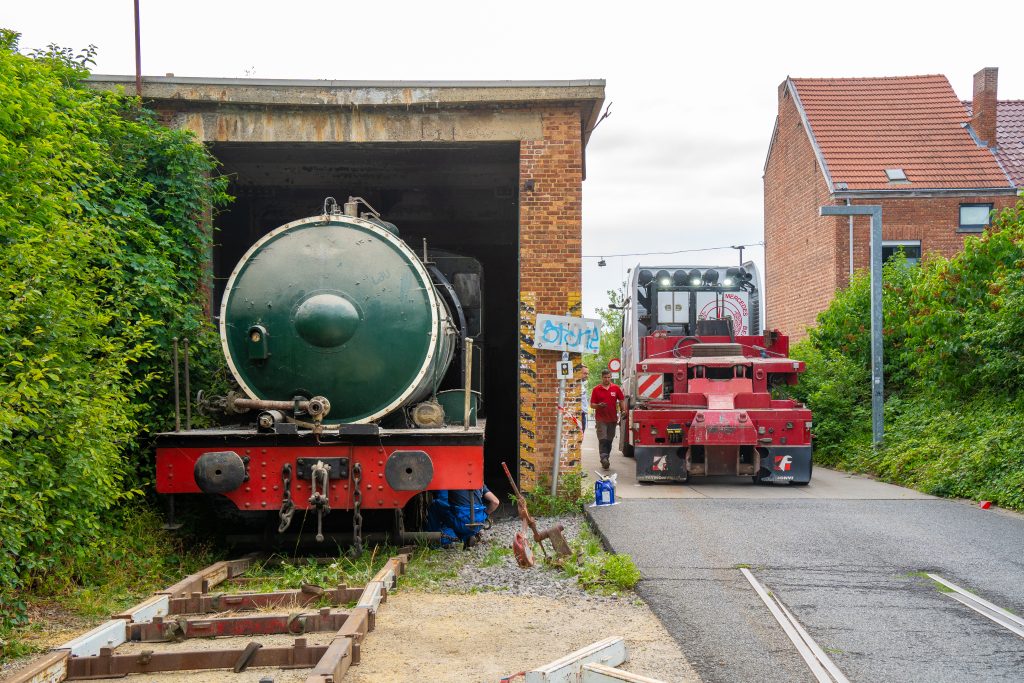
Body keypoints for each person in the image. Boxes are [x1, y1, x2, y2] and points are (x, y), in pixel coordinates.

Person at [426, 485, 500, 548]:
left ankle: (434, 541)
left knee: (436, 504)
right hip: (479, 523)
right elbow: (495, 502)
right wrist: (485, 514)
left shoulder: (451, 477)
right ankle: (468, 536)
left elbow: (442, 495)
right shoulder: (479, 482)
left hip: (461, 521)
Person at [590, 369, 626, 470]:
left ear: (611, 377)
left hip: (612, 419)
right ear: (602, 377)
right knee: (603, 439)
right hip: (601, 419)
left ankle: (606, 458)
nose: (607, 379)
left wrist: (623, 410)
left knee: (609, 440)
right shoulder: (596, 389)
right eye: (605, 377)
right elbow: (592, 405)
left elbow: (621, 400)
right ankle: (603, 458)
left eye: (609, 377)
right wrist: (598, 405)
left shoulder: (616, 388)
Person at [580, 366, 590, 433]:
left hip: (583, 414)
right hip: (580, 414)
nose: (587, 375)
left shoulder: (582, 384)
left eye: (587, 373)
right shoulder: (578, 385)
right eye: (585, 373)